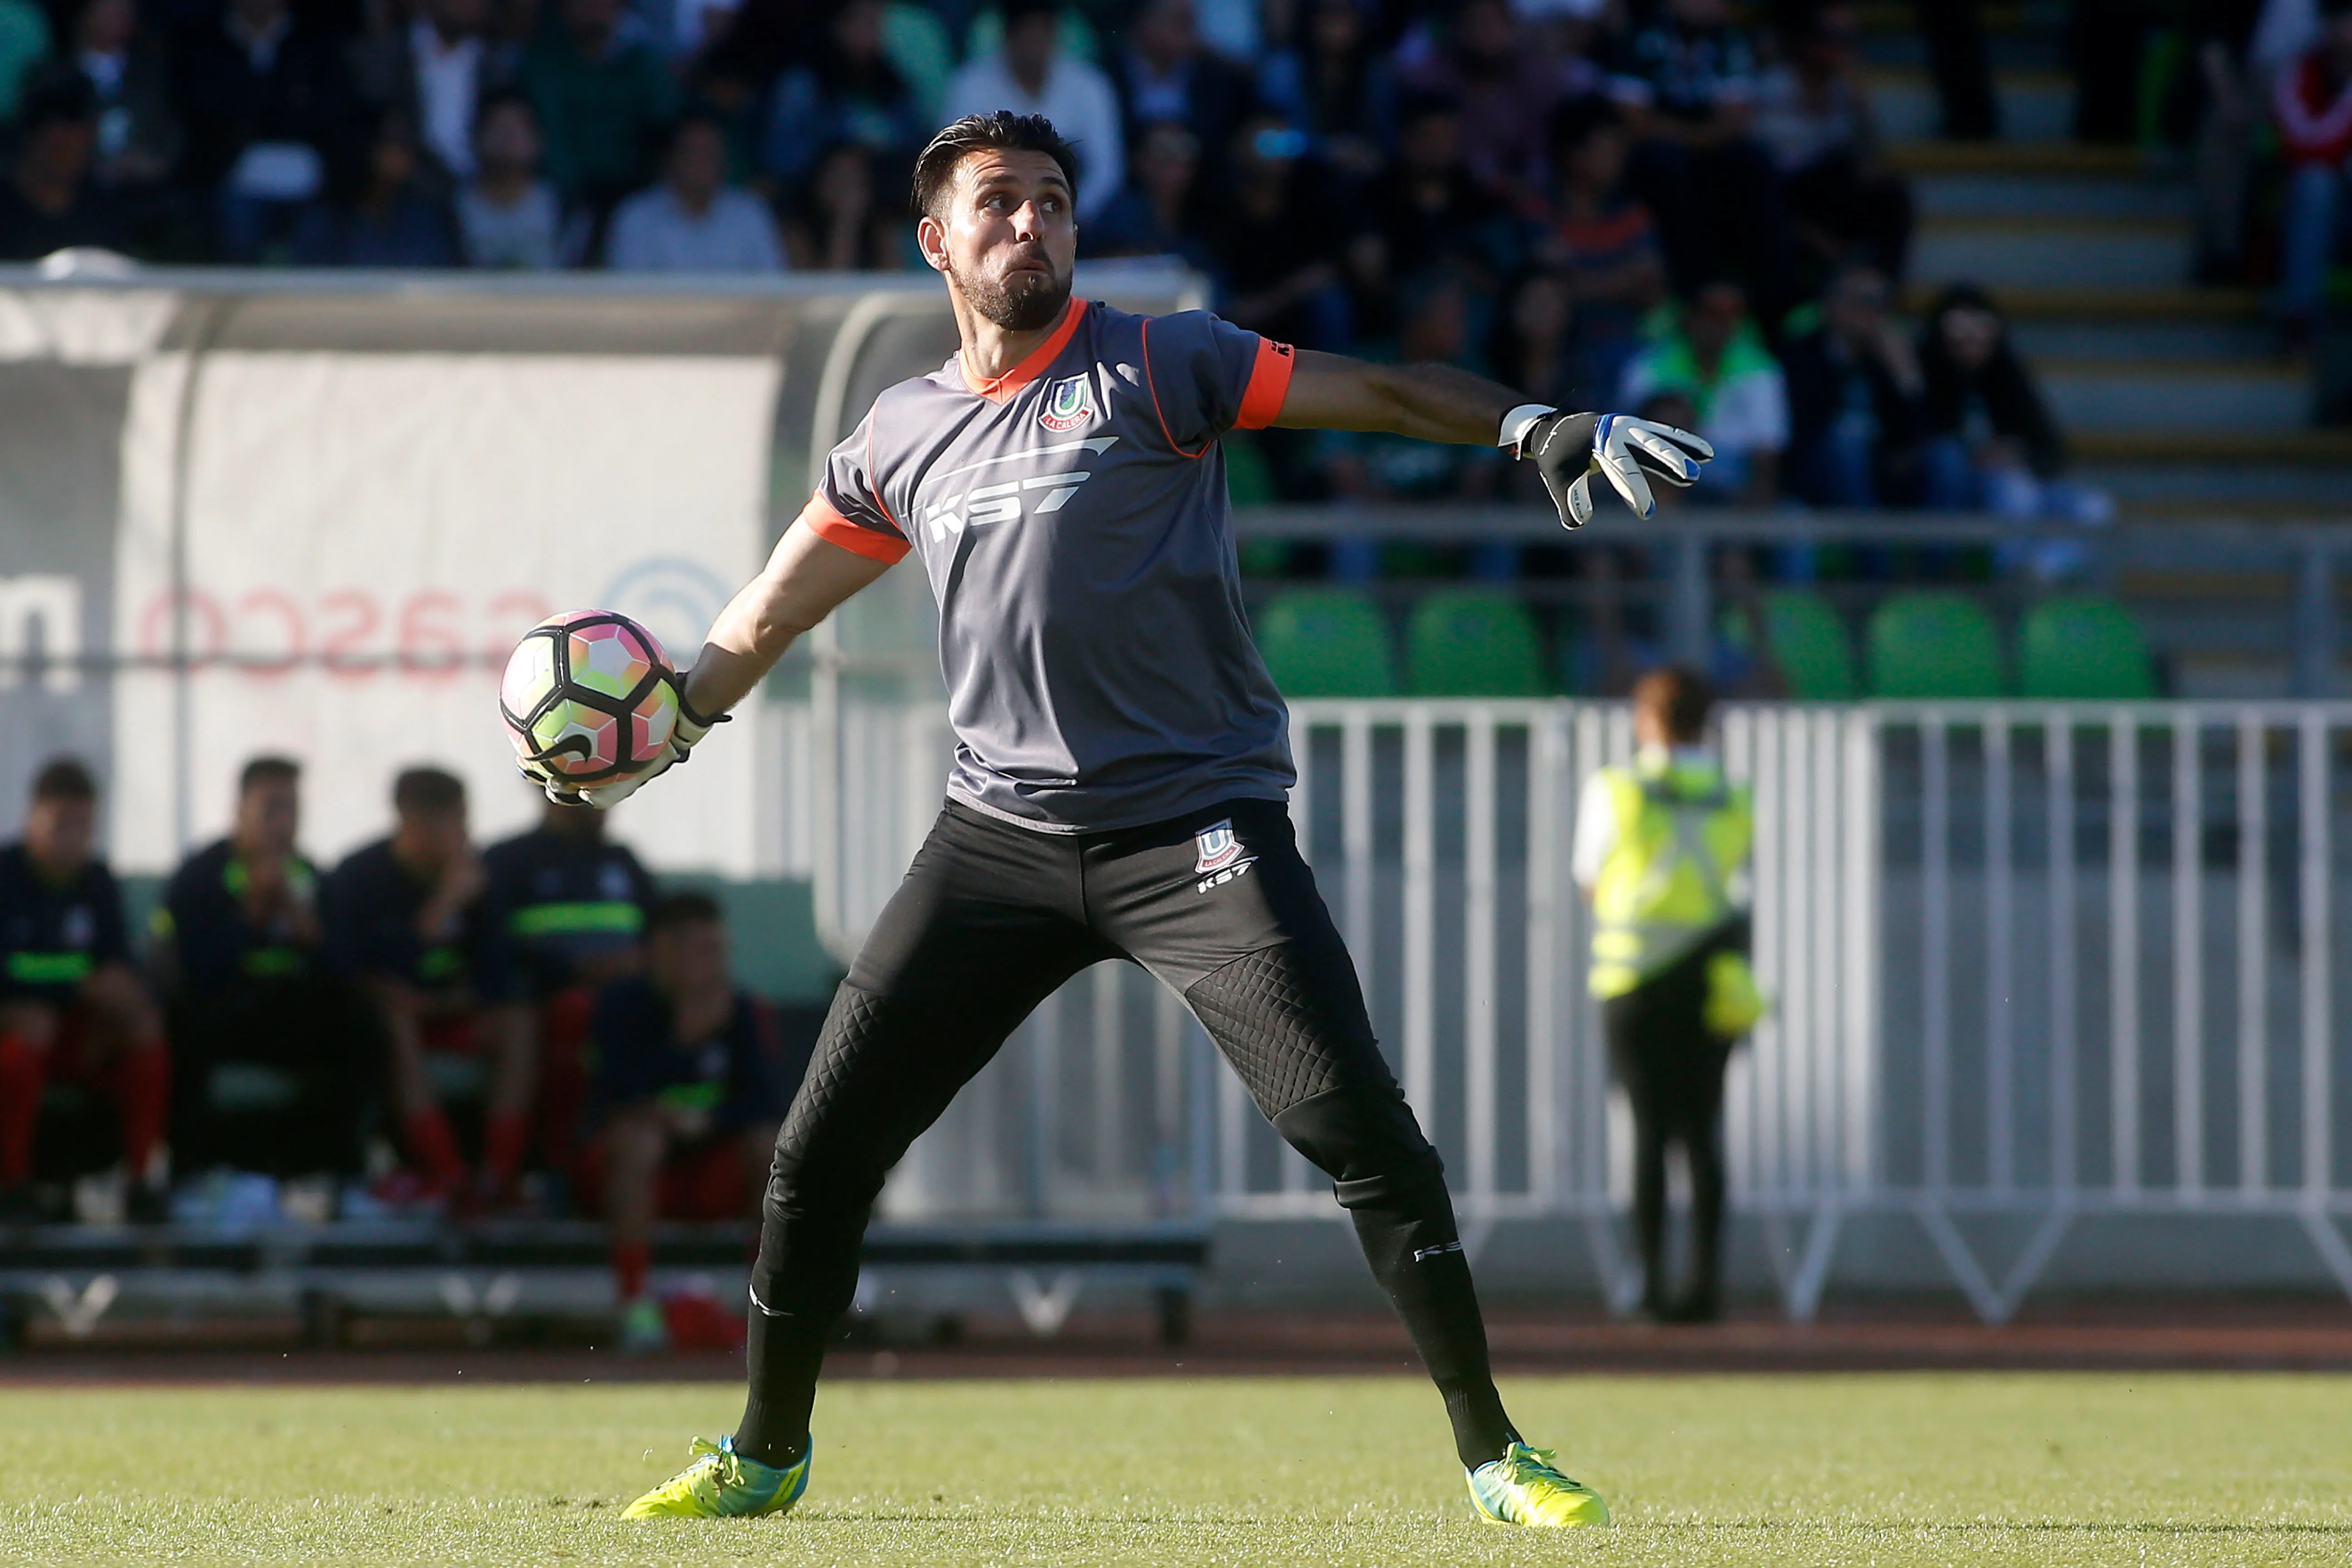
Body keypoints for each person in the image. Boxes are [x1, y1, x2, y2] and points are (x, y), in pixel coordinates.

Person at [589, 109, 1708, 1526]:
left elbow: (1374, 393)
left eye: (1054, 200)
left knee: (1360, 1133)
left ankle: (1496, 1457)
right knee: (822, 1146)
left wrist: (1530, 423)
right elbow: (764, 613)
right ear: (936, 240)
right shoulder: (901, 434)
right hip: (995, 842)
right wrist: (664, 726)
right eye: (998, 202)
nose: (1031, 223)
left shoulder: (1160, 359)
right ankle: (765, 1453)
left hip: (1198, 833)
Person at [1572, 667, 1756, 1323]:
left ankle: (1649, 1288)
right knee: (1704, 1134)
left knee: (1650, 1134)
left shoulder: (1619, 788)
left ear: (1648, 719)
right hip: (1711, 975)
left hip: (1635, 975)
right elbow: (1740, 881)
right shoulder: (1734, 794)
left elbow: (1590, 878)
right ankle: (1705, 1289)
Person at [586, 892, 800, 1352]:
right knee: (638, 1142)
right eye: (704, 951)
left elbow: (764, 1102)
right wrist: (685, 1039)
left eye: (721, 951)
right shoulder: (620, 1007)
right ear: (663, 950)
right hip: (631, 1174)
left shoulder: (740, 1011)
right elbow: (612, 1095)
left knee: (770, 1149)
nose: (717, 964)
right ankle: (634, 1304)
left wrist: (705, 1121)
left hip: (709, 1162)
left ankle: (766, 1309)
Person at [322, 767, 532, 1209]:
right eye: (455, 822)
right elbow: (353, 971)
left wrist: (444, 1001)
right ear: (414, 823)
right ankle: (446, 1173)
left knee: (518, 1022)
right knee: (395, 1024)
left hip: (454, 1012)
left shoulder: (476, 879)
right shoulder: (360, 877)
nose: (465, 834)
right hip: (396, 1023)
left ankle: (498, 1177)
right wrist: (437, 914)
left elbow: (500, 975)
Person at [153, 758, 370, 1183]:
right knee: (180, 1028)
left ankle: (339, 1175)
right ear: (240, 812)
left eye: (292, 810)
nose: (283, 823)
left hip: (289, 1012)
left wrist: (313, 936)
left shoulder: (313, 878)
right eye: (271, 809)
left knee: (359, 1025)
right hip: (225, 1012)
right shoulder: (203, 877)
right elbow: (193, 970)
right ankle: (192, 1175)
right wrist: (250, 916)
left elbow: (349, 968)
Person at [0, 759, 169, 1223]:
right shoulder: (7, 878)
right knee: (31, 1029)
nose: (71, 840)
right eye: (61, 824)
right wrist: (73, 984)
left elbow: (115, 962)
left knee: (143, 1024)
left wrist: (122, 992)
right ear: (31, 816)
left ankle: (141, 1180)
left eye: (84, 826)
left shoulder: (97, 882)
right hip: (20, 1037)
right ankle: (12, 1185)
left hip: (79, 1038)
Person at [482, 793, 654, 1174]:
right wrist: (577, 970)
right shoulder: (508, 860)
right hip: (543, 1001)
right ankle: (536, 1172)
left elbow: (660, 937)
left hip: (632, 1001)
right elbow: (493, 950)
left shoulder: (624, 862)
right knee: (573, 1016)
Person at [939, 0, 1123, 221]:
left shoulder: (1089, 85)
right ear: (1008, 36)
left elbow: (1106, 170)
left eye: (1042, 31)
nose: (1034, 42)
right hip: (996, 216)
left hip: (1079, 219)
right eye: (1026, 32)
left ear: (1054, 35)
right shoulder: (970, 87)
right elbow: (956, 168)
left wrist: (1064, 214)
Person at [1618, 281, 1786, 506]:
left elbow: (1767, 455)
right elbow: (1627, 442)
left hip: (1733, 479)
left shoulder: (1761, 370)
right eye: (1711, 314)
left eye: (1730, 315)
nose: (1719, 324)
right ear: (1690, 316)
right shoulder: (1648, 367)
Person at [1782, 264, 1924, 509]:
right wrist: (1842, 364)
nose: (1874, 312)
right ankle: (1871, 544)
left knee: (1944, 457)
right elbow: (1804, 427)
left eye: (1882, 303)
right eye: (1865, 301)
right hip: (1820, 468)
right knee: (1845, 443)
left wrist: (1907, 378)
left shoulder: (1893, 356)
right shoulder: (1804, 354)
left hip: (1881, 467)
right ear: (1832, 306)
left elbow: (1917, 432)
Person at [606, 112, 784, 273]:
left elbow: (773, 287)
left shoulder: (751, 213)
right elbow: (630, 297)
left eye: (711, 153)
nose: (703, 163)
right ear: (670, 158)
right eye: (694, 153)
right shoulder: (635, 217)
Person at [2273, 1, 2352, 348]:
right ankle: (2300, 317)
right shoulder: (2299, 74)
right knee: (2315, 185)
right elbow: (2300, 143)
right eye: (2342, 21)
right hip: (2327, 214)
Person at [456, 89, 572, 269]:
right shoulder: (453, 209)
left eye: (518, 128)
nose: (509, 138)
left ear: (538, 139)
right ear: (477, 136)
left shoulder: (563, 207)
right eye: (499, 127)